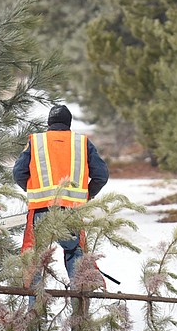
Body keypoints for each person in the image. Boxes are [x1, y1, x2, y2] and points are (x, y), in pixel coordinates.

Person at [13, 104, 109, 281]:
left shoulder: (36, 141)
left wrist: (33, 191)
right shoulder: (82, 143)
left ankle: (35, 306)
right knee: (76, 256)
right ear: (69, 124)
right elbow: (101, 176)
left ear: (49, 124)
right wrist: (87, 195)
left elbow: (18, 173)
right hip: (71, 214)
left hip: (40, 213)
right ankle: (79, 304)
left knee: (33, 259)